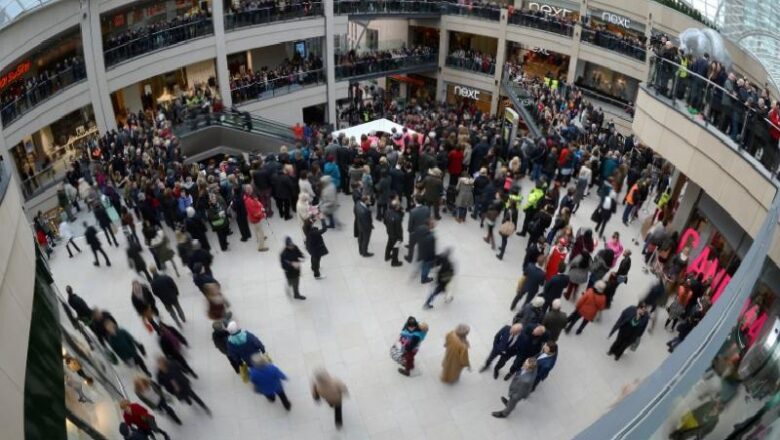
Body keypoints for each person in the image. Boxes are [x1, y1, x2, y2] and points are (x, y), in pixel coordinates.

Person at [243, 186, 269, 251]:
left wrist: (256, 202)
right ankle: (261, 247)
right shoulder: (248, 200)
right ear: (249, 190)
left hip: (251, 217)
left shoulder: (246, 197)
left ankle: (258, 238)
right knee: (260, 232)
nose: (252, 190)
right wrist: (263, 214)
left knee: (256, 229)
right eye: (251, 189)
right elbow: (255, 213)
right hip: (255, 219)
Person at [383, 198, 404, 267]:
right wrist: (400, 238)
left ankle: (387, 256)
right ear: (396, 207)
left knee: (389, 244)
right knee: (396, 248)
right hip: (396, 236)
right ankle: (394, 262)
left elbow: (385, 222)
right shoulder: (397, 217)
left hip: (389, 232)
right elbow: (399, 229)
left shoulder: (387, 211)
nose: (399, 206)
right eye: (398, 205)